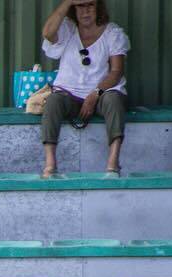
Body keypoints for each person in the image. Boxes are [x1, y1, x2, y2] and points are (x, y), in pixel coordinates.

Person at [39, 0, 131, 177]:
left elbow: (116, 72)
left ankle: (113, 163)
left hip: (102, 94)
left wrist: (95, 93)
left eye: (90, 5)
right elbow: (48, 33)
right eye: (80, 6)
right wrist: (68, 2)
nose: (85, 11)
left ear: (99, 7)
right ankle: (50, 165)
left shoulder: (112, 33)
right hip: (69, 93)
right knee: (53, 101)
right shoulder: (67, 29)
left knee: (114, 100)